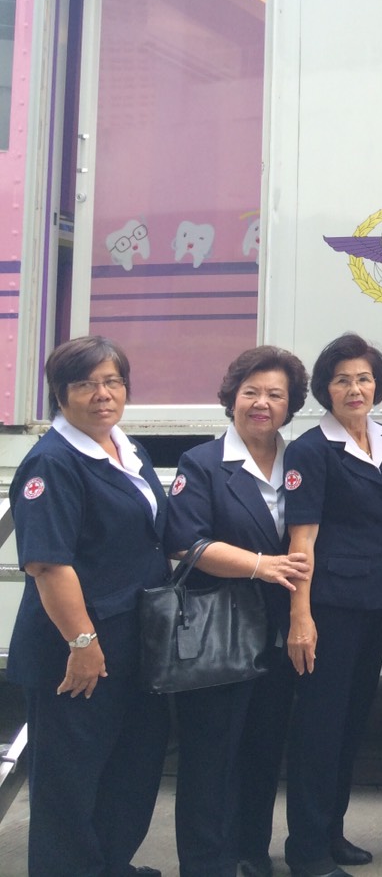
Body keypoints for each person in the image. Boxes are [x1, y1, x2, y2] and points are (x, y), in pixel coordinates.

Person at [7, 335, 170, 877]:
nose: (103, 394)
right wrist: (82, 644)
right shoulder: (52, 463)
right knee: (70, 781)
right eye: (86, 384)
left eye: (113, 381)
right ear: (61, 394)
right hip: (78, 647)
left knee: (130, 766)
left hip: (134, 638)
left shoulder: (126, 448)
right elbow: (49, 565)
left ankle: (109, 865)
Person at [165, 345, 312, 877]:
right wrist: (261, 566)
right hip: (219, 635)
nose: (261, 403)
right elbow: (185, 543)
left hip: (278, 633)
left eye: (275, 394)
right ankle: (207, 862)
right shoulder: (202, 463)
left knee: (263, 749)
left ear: (291, 404)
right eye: (251, 392)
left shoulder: (301, 461)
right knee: (210, 756)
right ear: (232, 398)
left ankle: (251, 850)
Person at [283, 333, 382, 877]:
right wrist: (300, 617)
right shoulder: (310, 451)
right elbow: (301, 542)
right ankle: (306, 850)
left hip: (374, 604)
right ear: (325, 389)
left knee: (352, 726)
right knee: (319, 730)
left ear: (377, 384)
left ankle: (332, 833)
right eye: (342, 380)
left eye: (364, 379)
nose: (355, 389)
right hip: (328, 609)